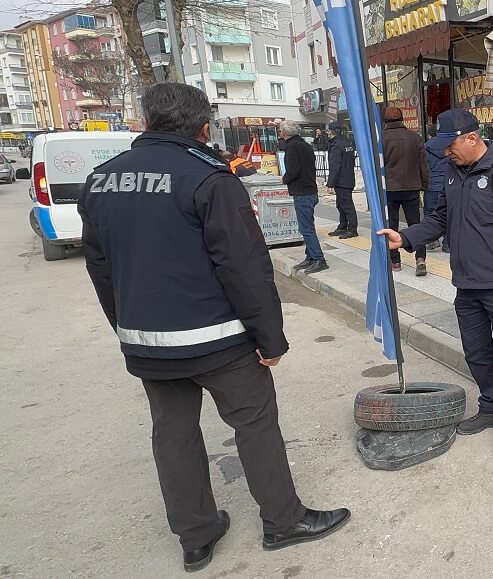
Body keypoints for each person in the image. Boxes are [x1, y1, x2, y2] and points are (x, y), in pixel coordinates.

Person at [77, 83, 350, 572]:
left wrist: (126, 326)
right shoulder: (208, 177)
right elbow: (244, 266)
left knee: (173, 435)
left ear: (147, 121)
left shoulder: (101, 180)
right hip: (219, 340)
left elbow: (100, 266)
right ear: (203, 127)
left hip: (148, 343)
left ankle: (195, 537)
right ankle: (283, 521)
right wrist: (270, 338)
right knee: (255, 424)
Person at [377, 109, 493, 457]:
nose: (446, 152)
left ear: (472, 138)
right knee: (476, 352)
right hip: (466, 283)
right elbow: (439, 218)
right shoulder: (452, 173)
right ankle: (491, 406)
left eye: (450, 146)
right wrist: (405, 237)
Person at [381, 106, 430, 275]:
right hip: (412, 187)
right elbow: (423, 165)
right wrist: (424, 185)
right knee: (416, 224)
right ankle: (420, 259)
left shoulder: (380, 139)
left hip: (389, 189)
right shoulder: (415, 137)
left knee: (390, 225)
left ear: (384, 121)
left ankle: (395, 261)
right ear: (402, 119)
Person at [280, 121, 326, 274]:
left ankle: (318, 258)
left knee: (306, 228)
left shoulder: (292, 147)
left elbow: (293, 170)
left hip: (302, 192)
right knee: (308, 225)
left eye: (280, 131)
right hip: (310, 190)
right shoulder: (305, 145)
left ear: (284, 133)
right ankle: (310, 256)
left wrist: (284, 179)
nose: (280, 134)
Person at [424, 125, 454, 253]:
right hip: (447, 185)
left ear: (430, 134)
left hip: (431, 186)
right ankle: (447, 244)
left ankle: (432, 241)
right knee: (447, 213)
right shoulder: (449, 146)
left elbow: (423, 167)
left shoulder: (426, 147)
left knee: (430, 213)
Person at [325, 122, 358, 238]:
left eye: (328, 131)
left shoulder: (336, 145)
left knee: (346, 205)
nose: (327, 133)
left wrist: (330, 183)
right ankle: (343, 226)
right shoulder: (347, 143)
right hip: (348, 178)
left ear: (331, 132)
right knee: (341, 204)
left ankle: (352, 229)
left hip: (341, 180)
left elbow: (335, 165)